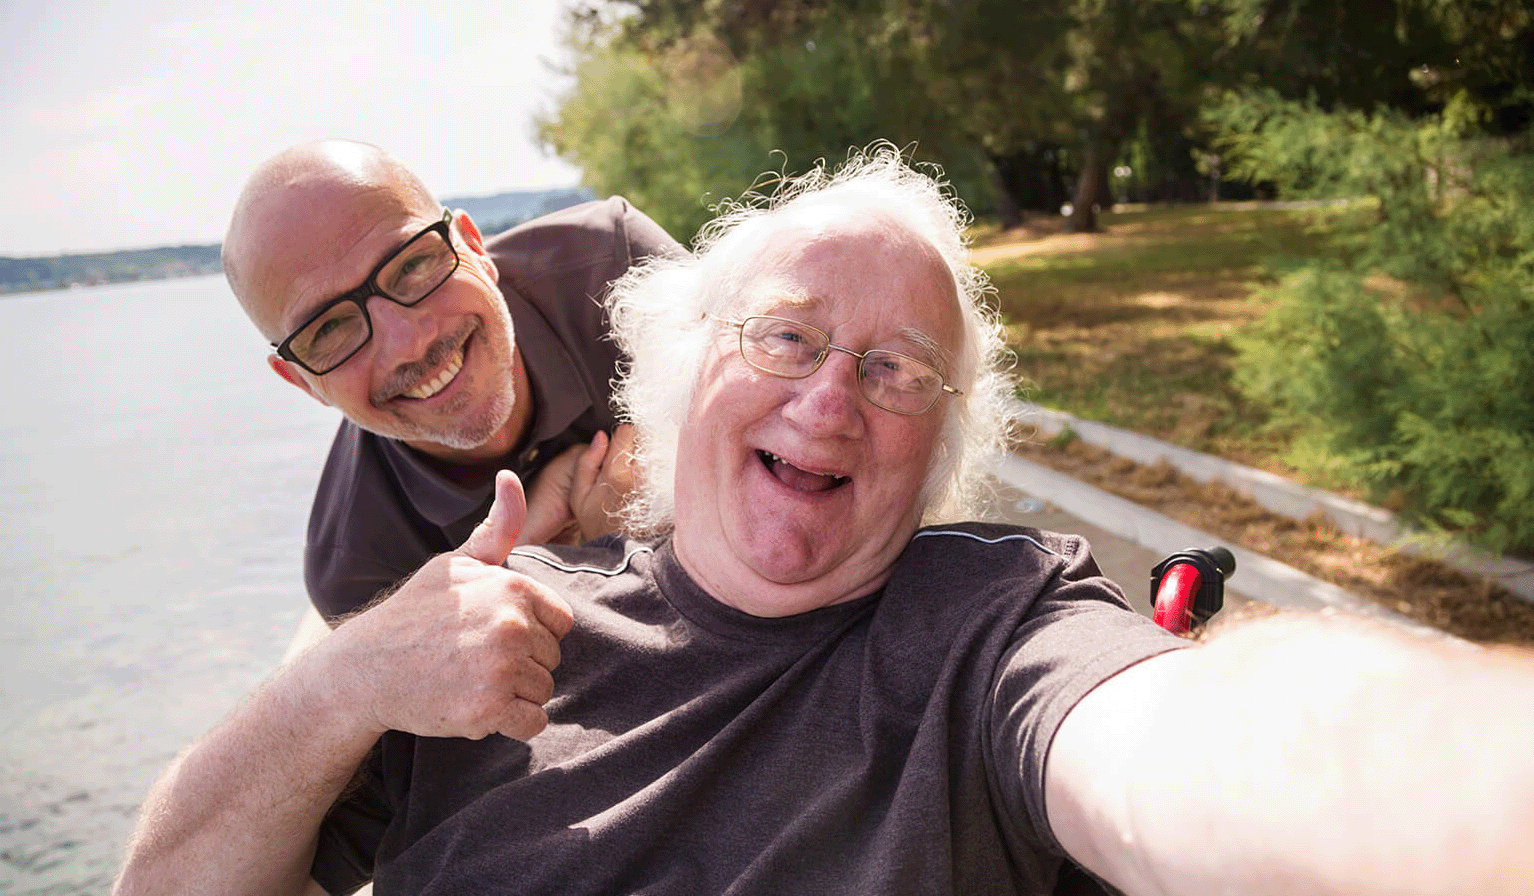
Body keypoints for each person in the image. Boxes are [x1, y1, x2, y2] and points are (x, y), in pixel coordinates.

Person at [115, 148, 1534, 896]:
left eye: (896, 369)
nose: (826, 402)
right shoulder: (384, 587)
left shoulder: (991, 631)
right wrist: (352, 674)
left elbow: (1191, 754)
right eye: (784, 338)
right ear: (296, 380)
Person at [222, 139, 684, 623]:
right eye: (331, 329)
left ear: (474, 246)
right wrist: (565, 565)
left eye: (412, 266)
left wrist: (657, 508)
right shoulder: (361, 575)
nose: (409, 344)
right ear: (301, 382)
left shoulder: (618, 268)